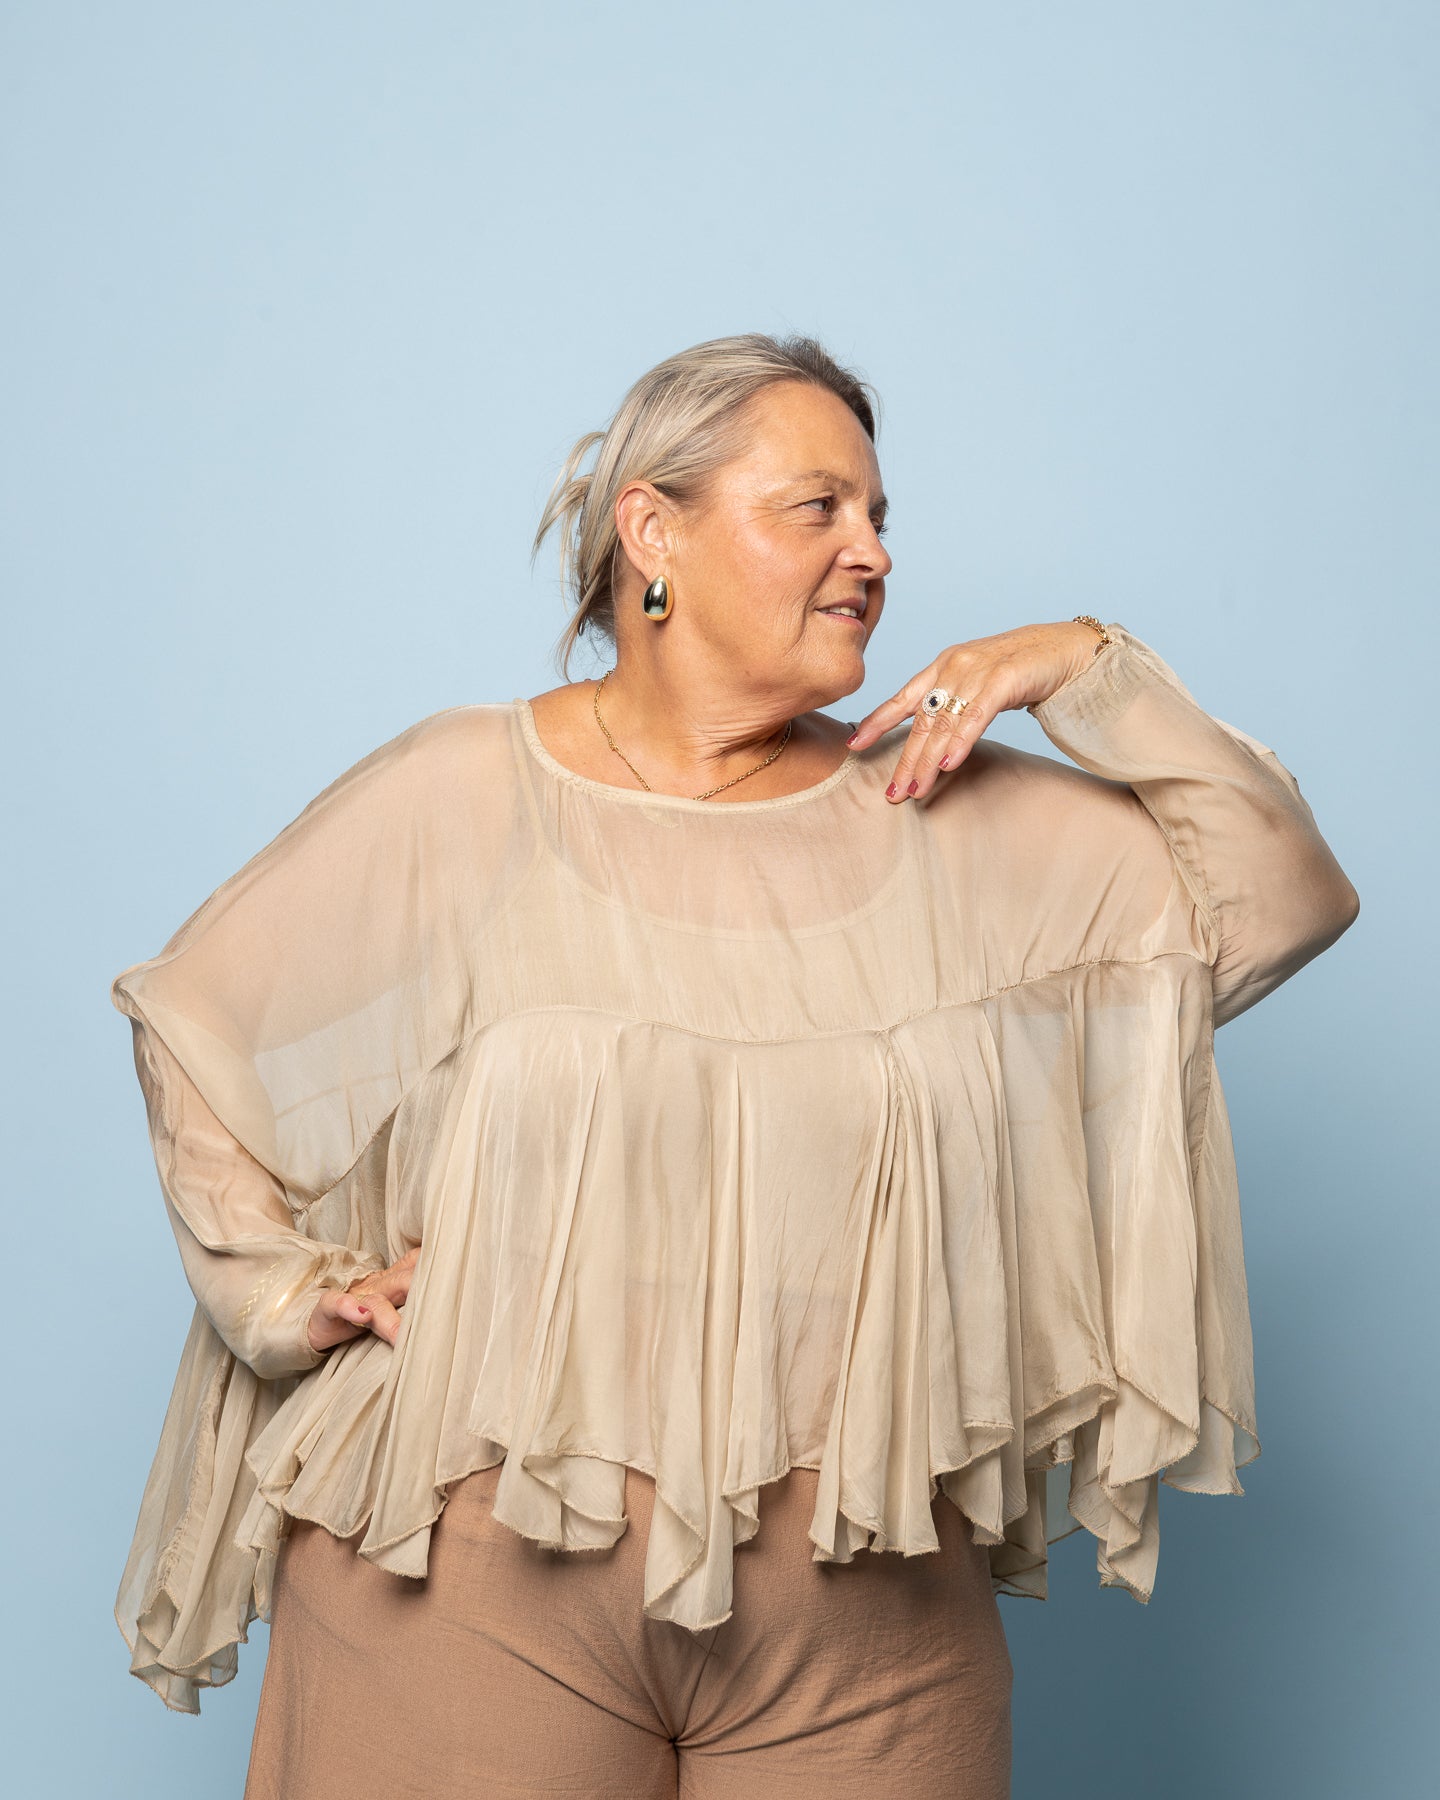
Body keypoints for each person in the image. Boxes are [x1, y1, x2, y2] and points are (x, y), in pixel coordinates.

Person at [109, 332, 1360, 1798]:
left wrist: (1078, 665)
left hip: (866, 1611)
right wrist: (284, 1294)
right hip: (471, 1569)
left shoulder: (942, 811)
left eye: (880, 515)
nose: (872, 552)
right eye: (818, 507)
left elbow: (1283, 898)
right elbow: (197, 1027)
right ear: (654, 530)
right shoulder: (466, 792)